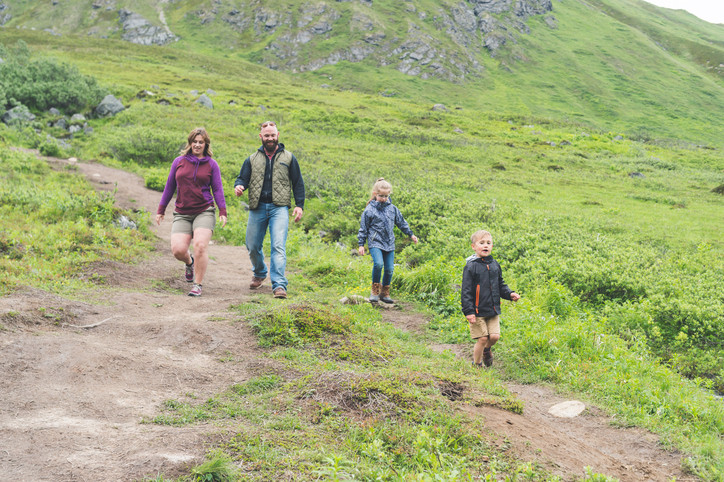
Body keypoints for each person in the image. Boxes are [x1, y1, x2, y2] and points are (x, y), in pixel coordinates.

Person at [234, 121, 305, 299]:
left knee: (278, 246)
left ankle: (279, 285)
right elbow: (242, 178)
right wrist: (240, 187)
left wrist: (299, 205)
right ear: (261, 137)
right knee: (252, 245)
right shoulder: (252, 159)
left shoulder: (289, 158)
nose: (270, 138)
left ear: (278, 135)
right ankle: (259, 272)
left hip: (279, 208)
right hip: (257, 207)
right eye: (267, 136)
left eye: (273, 135)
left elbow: (298, 183)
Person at [156, 127, 227, 297]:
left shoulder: (211, 164)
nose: (197, 145)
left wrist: (222, 211)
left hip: (204, 210)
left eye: (200, 142)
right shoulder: (178, 161)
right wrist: (161, 209)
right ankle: (189, 262)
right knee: (178, 250)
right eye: (194, 142)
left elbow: (217, 189)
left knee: (200, 246)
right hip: (182, 212)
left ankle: (197, 284)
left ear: (205, 144)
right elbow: (169, 187)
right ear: (190, 143)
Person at [461, 230, 520, 367]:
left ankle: (487, 350)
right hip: (477, 311)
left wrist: (510, 294)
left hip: (492, 309)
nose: (485, 246)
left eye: (488, 243)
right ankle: (477, 364)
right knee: (482, 338)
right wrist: (469, 311)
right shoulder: (471, 267)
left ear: (492, 246)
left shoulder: (495, 265)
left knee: (494, 337)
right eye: (481, 243)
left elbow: (500, 285)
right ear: (473, 246)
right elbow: (466, 291)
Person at [357, 178, 418, 304]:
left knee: (389, 268)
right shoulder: (369, 210)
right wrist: (361, 244)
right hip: (375, 242)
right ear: (375, 194)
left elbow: (401, 222)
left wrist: (411, 234)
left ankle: (385, 293)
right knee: (378, 264)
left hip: (389, 243)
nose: (384, 198)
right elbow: (363, 228)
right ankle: (375, 291)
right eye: (381, 196)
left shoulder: (392, 209)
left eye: (386, 196)